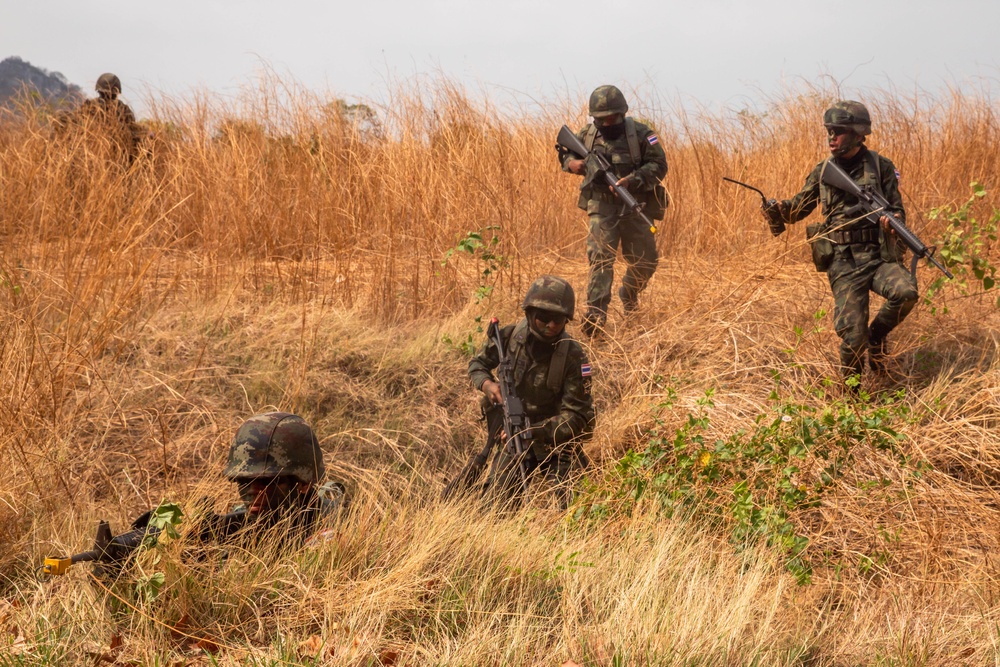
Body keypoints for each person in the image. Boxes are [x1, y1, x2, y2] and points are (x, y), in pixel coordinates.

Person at [43, 412, 345, 577]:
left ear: (303, 482)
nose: (254, 494)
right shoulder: (241, 525)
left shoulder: (336, 516)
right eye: (243, 483)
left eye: (267, 483)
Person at [762, 100, 919, 383]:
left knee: (906, 293)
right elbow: (797, 210)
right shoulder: (823, 171)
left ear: (859, 134)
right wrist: (777, 209)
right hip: (843, 262)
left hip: (878, 256)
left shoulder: (881, 166)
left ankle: (877, 337)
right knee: (852, 337)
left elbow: (898, 210)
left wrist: (892, 221)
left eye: (839, 131)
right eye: (829, 130)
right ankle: (853, 399)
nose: (831, 137)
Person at [467, 276, 595, 509]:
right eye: (543, 319)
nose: (551, 326)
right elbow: (477, 365)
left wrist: (534, 431)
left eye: (558, 320)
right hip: (514, 437)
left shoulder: (573, 356)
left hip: (557, 442)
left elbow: (578, 416)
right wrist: (488, 385)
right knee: (492, 510)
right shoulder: (508, 337)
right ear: (529, 314)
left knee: (581, 511)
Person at [560, 85, 668, 336]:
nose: (607, 123)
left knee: (647, 262)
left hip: (634, 204)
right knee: (601, 260)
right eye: (601, 119)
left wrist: (633, 179)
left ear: (623, 113)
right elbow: (565, 155)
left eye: (612, 118)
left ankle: (629, 292)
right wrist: (575, 165)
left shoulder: (641, 134)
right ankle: (596, 319)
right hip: (601, 207)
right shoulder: (587, 135)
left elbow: (660, 164)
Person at [57, 73, 144, 166]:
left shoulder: (90, 106)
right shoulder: (123, 108)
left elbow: (77, 122)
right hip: (119, 157)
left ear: (99, 90)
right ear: (117, 91)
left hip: (89, 155)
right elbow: (132, 128)